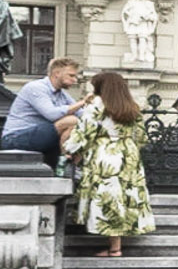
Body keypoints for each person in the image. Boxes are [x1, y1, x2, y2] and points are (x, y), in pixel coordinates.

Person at [65, 70, 154, 257]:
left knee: (108, 196)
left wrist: (69, 150)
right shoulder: (133, 107)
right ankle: (117, 244)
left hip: (106, 153)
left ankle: (115, 248)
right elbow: (142, 137)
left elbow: (84, 132)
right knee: (125, 195)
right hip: (129, 154)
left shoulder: (98, 105)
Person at [1, 56, 84, 166]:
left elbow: (82, 115)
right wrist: (82, 102)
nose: (75, 80)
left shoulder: (62, 94)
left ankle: (74, 167)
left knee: (81, 127)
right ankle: (65, 164)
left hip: (41, 135)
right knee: (71, 121)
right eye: (71, 75)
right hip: (15, 138)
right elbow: (51, 114)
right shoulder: (35, 88)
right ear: (57, 73)